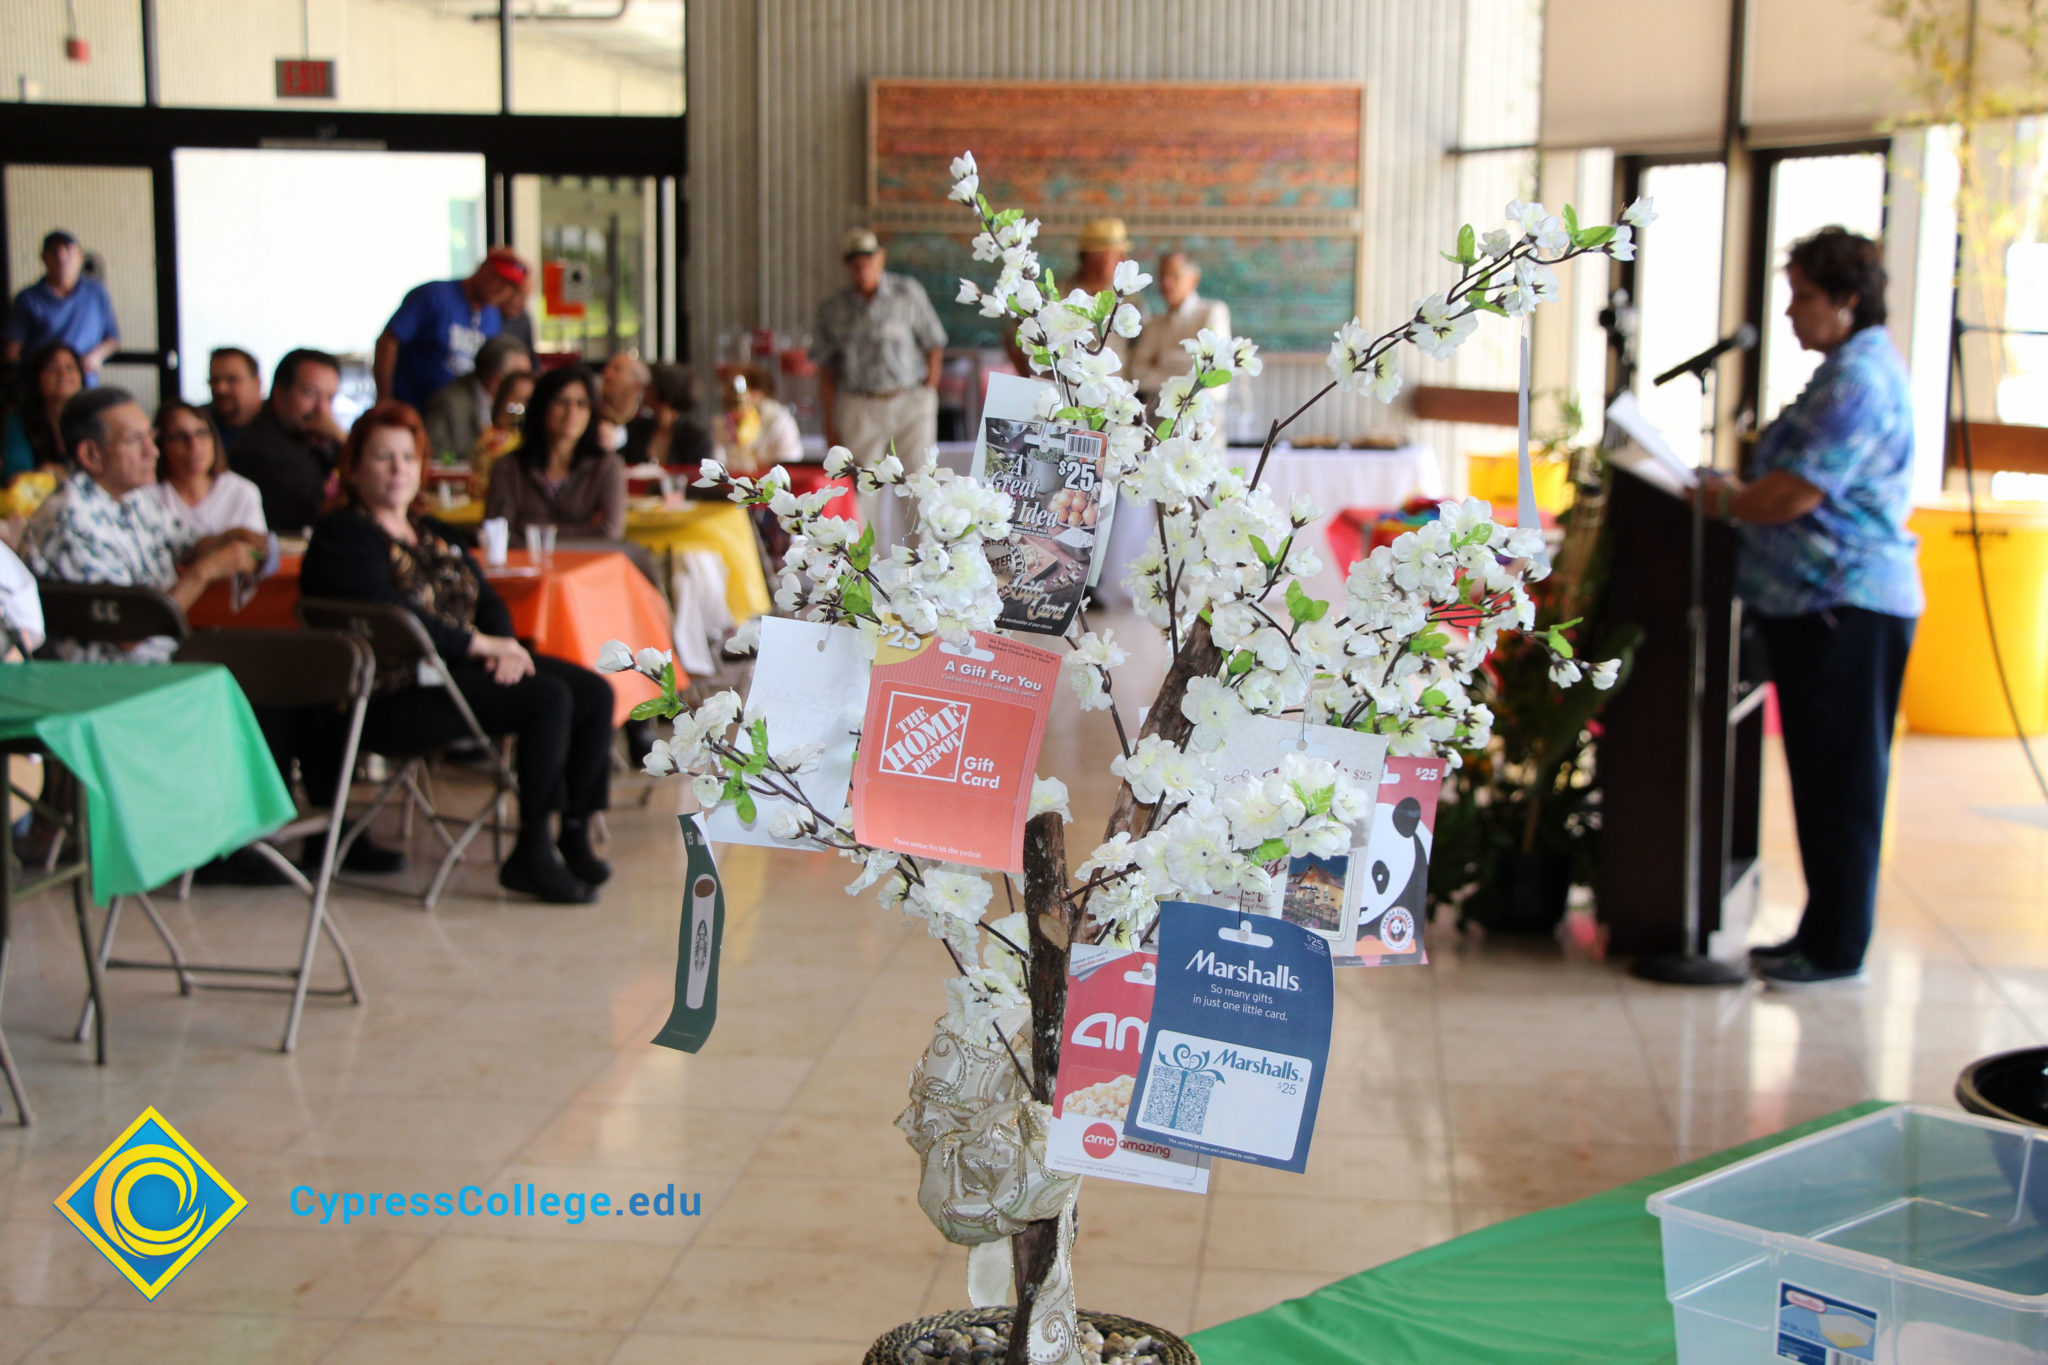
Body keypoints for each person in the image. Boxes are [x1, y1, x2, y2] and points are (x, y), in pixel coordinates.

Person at [1694, 227, 1922, 991]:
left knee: (1843, 782)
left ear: (1849, 300)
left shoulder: (1858, 378)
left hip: (1844, 604)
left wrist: (1724, 498)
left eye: (1804, 298)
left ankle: (1835, 947)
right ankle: (1822, 932)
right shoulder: (1849, 366)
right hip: (1823, 605)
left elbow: (1793, 493)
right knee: (1824, 780)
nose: (1791, 313)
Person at [301, 400, 614, 904]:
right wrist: (481, 645)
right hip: (389, 695)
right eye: (383, 457)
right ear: (354, 467)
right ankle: (531, 848)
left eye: (407, 456)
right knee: (548, 699)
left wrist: (504, 645)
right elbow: (397, 620)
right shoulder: (344, 536)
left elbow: (486, 601)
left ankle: (572, 831)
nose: (398, 469)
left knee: (594, 691)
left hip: (458, 673)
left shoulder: (436, 532)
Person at [19, 388, 264, 662]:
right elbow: (127, 633)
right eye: (136, 441)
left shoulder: (132, 498)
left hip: (161, 660)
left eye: (151, 437)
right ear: (91, 454)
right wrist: (204, 572)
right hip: (103, 683)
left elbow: (186, 543)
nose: (153, 451)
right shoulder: (70, 519)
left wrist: (234, 536)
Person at [814, 227, 946, 521]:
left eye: (868, 259)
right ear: (847, 265)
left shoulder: (907, 293)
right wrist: (829, 421)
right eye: (855, 262)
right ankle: (862, 562)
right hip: (860, 406)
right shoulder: (834, 309)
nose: (862, 268)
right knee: (861, 489)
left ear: (881, 257)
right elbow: (826, 368)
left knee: (919, 485)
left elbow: (934, 342)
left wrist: (929, 391)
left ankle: (924, 562)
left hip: (909, 401)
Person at [373, 252, 529, 411]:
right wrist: (384, 398)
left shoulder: (493, 317)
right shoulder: (434, 295)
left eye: (511, 286)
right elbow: (388, 341)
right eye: (500, 279)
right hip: (412, 407)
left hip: (456, 412)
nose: (503, 289)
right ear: (483, 269)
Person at [484, 365, 627, 540]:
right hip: (522, 565)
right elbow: (497, 534)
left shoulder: (607, 466)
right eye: (562, 401)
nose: (571, 412)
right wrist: (585, 529)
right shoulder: (508, 467)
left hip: (589, 565)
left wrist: (528, 531)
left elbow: (608, 533)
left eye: (581, 404)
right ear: (542, 406)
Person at [229, 348, 344, 535]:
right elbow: (325, 509)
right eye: (309, 394)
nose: (322, 410)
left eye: (330, 398)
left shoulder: (311, 436)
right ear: (280, 392)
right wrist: (343, 440)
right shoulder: (260, 448)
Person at [1005, 217, 1135, 376]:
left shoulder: (1130, 301)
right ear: (1092, 257)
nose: (1123, 259)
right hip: (1061, 393)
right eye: (1116, 253)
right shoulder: (1054, 295)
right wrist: (1029, 378)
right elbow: (1013, 336)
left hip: (1110, 395)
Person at [3, 231, 119, 380]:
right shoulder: (27, 298)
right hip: (43, 386)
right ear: (44, 258)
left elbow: (112, 339)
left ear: (80, 257)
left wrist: (96, 356)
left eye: (69, 251)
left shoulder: (97, 293)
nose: (62, 258)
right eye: (54, 252)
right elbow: (13, 350)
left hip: (84, 384)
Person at [1129, 250, 1232, 413]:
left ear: (1194, 278)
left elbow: (1213, 368)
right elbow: (1138, 374)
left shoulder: (1213, 312)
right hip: (1159, 417)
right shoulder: (1154, 324)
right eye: (1162, 277)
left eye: (1174, 276)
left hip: (1205, 415)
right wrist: (1189, 370)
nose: (1166, 283)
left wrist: (1163, 359)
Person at [150, 401, 267, 539]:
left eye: (201, 433)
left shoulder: (242, 492)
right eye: (180, 437)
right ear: (160, 446)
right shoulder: (147, 498)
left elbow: (257, 554)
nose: (194, 445)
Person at [424, 333, 531, 461]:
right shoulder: (448, 403)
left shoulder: (523, 405)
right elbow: (433, 453)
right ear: (496, 381)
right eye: (521, 377)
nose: (529, 384)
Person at [2, 342, 84, 480]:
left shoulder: (97, 417)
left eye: (70, 367)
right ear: (37, 379)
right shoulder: (19, 421)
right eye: (53, 368)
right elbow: (15, 475)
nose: (63, 373)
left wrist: (54, 473)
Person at [713, 366, 802, 475]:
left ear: (758, 392)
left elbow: (789, 469)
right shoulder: (722, 424)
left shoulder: (780, 422)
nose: (736, 399)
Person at [623, 363, 714, 468]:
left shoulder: (696, 438)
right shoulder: (635, 429)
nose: (644, 389)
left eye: (650, 385)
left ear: (664, 389)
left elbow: (699, 478)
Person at [468, 369, 534, 499]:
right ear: (503, 400)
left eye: (530, 400)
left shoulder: (541, 442)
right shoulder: (491, 439)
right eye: (518, 399)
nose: (523, 406)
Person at [203, 347, 264, 451]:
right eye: (214, 380)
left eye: (232, 379)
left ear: (257, 383)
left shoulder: (282, 424)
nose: (220, 389)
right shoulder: (201, 423)